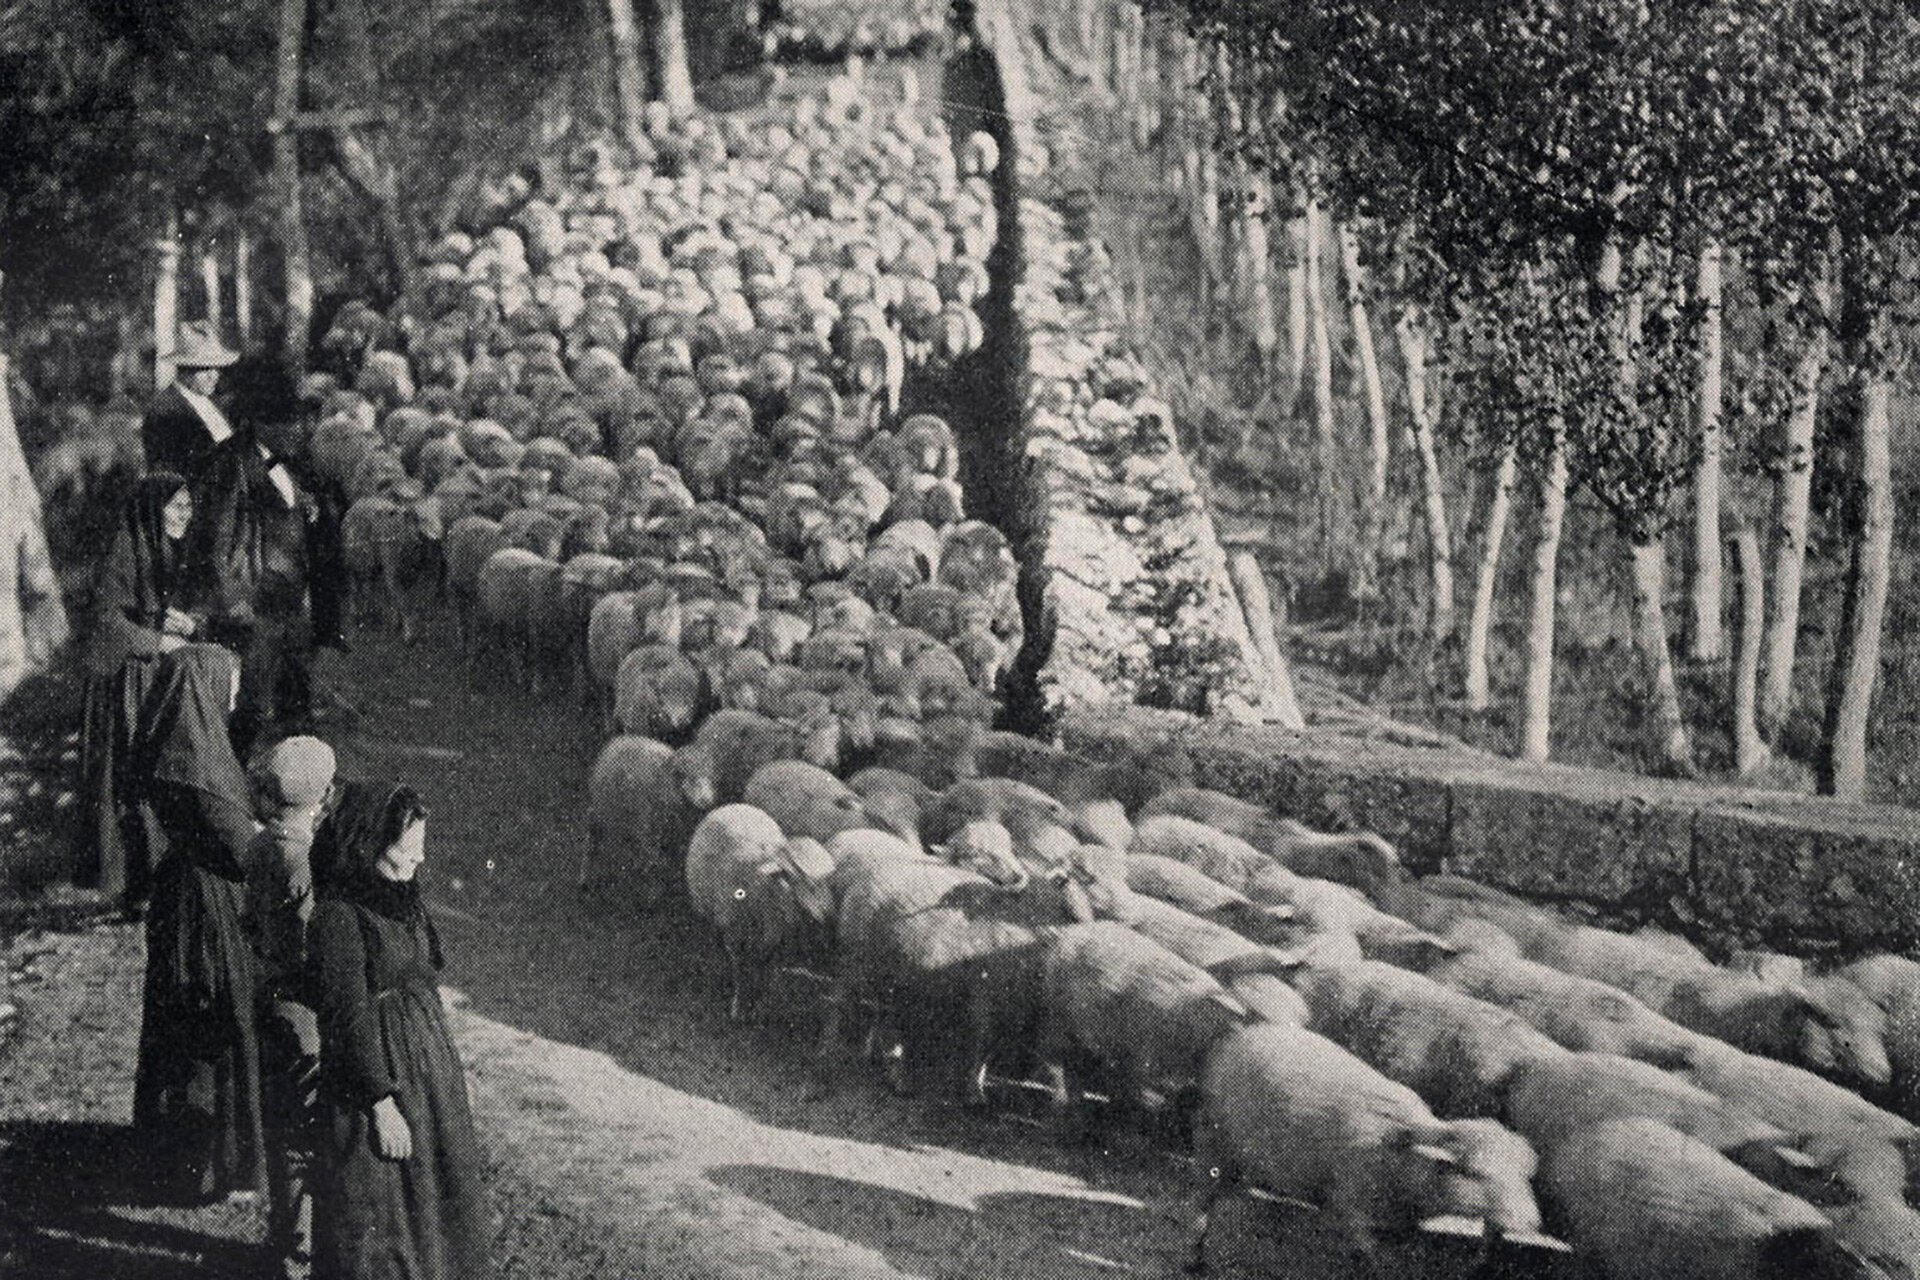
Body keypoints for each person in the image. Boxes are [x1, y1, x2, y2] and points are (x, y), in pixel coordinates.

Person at [306, 782, 487, 1280]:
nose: (417, 861)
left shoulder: (403, 899)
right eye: (404, 852)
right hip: (377, 1078)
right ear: (366, 847)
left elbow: (423, 975)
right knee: (380, 1212)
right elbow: (346, 1017)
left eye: (420, 849)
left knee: (433, 1200)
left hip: (426, 1079)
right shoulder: (340, 917)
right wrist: (381, 1103)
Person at [129, 641, 269, 1205]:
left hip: (181, 900)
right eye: (227, 687)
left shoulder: (175, 752)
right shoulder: (201, 771)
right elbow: (242, 851)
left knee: (180, 1027)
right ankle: (212, 1162)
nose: (232, 699)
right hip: (208, 908)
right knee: (217, 1024)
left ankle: (176, 1154)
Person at [72, 472, 201, 915]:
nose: (186, 515)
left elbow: (138, 606)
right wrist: (158, 641)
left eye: (189, 506)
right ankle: (130, 886)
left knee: (147, 770)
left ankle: (149, 881)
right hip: (116, 678)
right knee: (127, 775)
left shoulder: (154, 544)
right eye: (177, 506)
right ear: (153, 508)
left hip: (139, 674)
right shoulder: (125, 548)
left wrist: (169, 618)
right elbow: (108, 620)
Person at [245, 735, 338, 1280]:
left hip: (268, 997)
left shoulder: (261, 846)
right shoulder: (302, 860)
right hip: (303, 1011)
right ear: (323, 796)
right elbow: (311, 944)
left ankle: (285, 1234)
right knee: (308, 1132)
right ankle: (300, 1251)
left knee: (282, 1128)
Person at [141, 319, 241, 488]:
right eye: (204, 369)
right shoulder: (164, 410)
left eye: (216, 368)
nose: (213, 376)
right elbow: (167, 476)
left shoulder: (214, 402)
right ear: (184, 369)